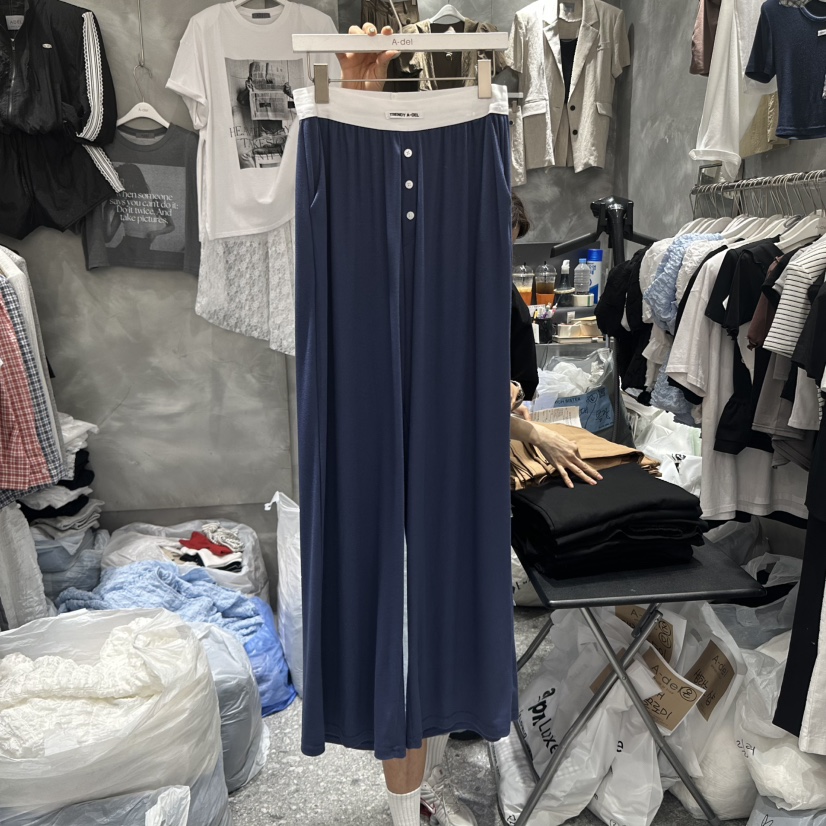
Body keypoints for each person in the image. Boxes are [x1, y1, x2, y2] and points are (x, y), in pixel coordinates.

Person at [333, 26, 602, 826]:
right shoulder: (395, 279)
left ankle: (419, 783)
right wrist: (358, 95)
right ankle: (405, 801)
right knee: (402, 633)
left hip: (464, 470)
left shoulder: (497, 303)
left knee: (435, 633)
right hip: (409, 467)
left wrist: (521, 426)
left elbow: (495, 395)